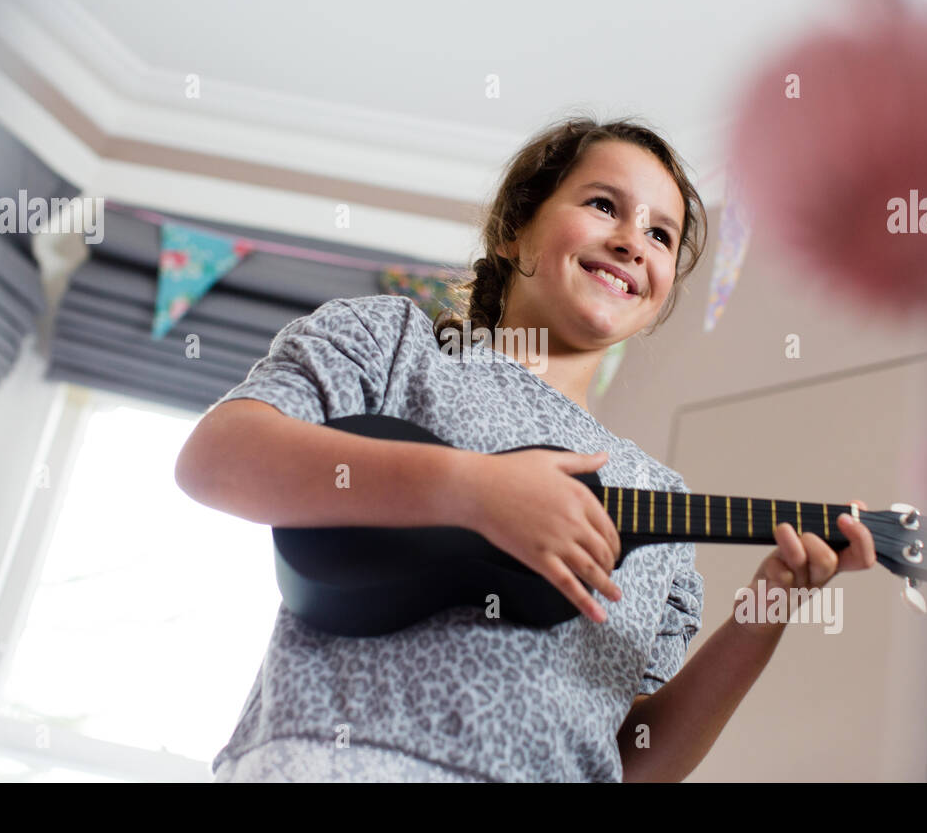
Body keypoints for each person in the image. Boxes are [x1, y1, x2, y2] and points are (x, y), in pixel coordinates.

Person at [175, 114, 877, 782]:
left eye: (662, 235)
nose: (635, 241)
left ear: (661, 296)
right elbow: (218, 459)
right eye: (605, 205)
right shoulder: (397, 347)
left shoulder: (661, 500)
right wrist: (470, 490)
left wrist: (767, 609)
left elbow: (633, 762)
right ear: (514, 231)